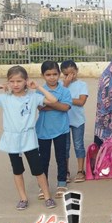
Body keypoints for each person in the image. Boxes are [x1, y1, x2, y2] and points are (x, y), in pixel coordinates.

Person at [0, 66, 58, 210]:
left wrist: (38, 86)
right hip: (12, 140)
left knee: (38, 170)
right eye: (12, 81)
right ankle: (23, 198)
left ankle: (47, 197)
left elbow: (53, 99)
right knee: (17, 170)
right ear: (8, 82)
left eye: (19, 81)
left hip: (29, 139)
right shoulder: (4, 98)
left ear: (26, 81)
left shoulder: (33, 96)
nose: (15, 84)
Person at [36, 61, 72, 199]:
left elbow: (66, 108)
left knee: (61, 157)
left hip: (61, 129)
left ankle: (61, 183)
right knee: (43, 159)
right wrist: (58, 104)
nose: (52, 77)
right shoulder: (39, 91)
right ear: (43, 75)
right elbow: (40, 107)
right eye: (48, 74)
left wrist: (49, 104)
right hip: (43, 130)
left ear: (59, 74)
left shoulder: (65, 90)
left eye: (55, 74)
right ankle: (43, 186)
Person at [61, 60, 89, 184]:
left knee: (79, 145)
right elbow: (56, 99)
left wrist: (66, 100)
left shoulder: (82, 85)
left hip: (78, 120)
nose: (70, 77)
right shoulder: (61, 86)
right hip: (63, 121)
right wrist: (65, 86)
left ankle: (80, 170)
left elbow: (81, 101)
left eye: (72, 73)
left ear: (77, 71)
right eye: (66, 75)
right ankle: (65, 171)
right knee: (64, 147)